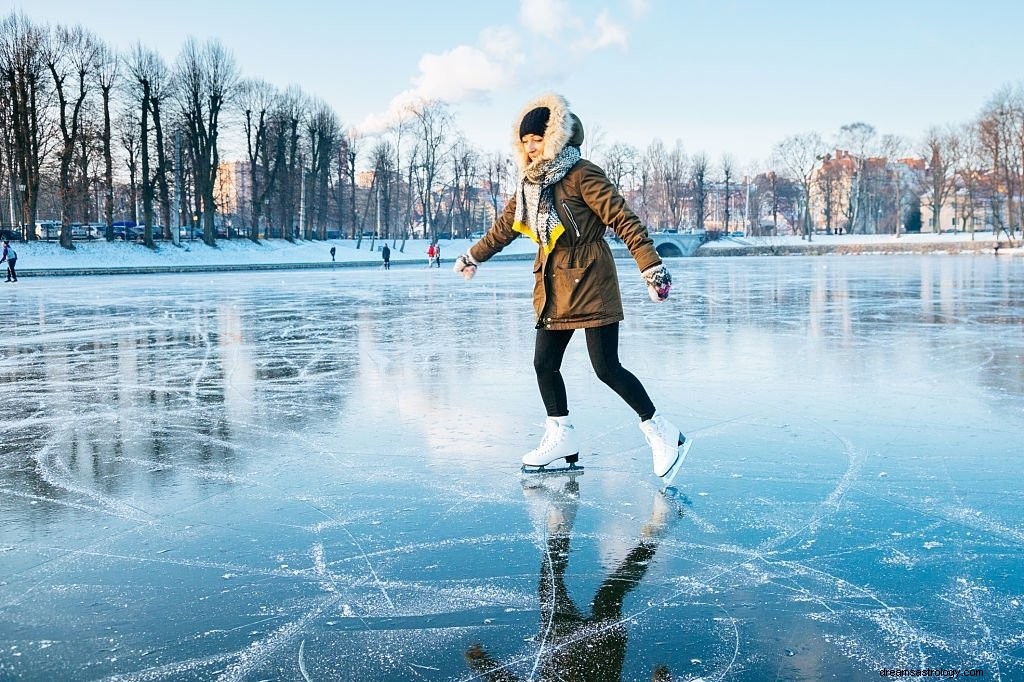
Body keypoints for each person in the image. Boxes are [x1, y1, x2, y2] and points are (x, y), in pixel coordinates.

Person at [453, 93, 687, 483]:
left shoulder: (582, 174)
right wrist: (473, 256)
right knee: (544, 364)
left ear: (555, 138)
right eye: (525, 143)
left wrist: (652, 268)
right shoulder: (528, 185)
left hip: (592, 280)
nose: (531, 149)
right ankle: (561, 434)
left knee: (606, 368)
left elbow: (623, 220)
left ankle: (664, 433)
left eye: (538, 141)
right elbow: (504, 228)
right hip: (553, 285)